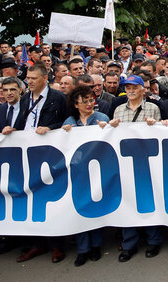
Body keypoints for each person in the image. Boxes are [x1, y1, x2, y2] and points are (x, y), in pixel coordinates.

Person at [4, 64, 68, 263]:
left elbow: (67, 122)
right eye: (28, 78)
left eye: (33, 78)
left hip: (50, 154)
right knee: (32, 200)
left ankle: (57, 245)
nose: (29, 81)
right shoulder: (25, 99)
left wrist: (50, 128)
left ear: (45, 78)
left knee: (51, 198)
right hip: (27, 155)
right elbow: (23, 122)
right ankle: (37, 243)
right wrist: (11, 130)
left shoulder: (58, 98)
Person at [109, 75, 163, 262]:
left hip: (147, 163)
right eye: (128, 87)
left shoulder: (153, 108)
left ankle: (153, 241)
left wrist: (154, 126)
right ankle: (129, 244)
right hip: (124, 164)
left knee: (149, 200)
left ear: (143, 89)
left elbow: (160, 135)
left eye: (134, 87)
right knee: (128, 203)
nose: (130, 90)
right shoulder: (118, 110)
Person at [60, 85, 109, 266]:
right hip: (77, 173)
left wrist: (106, 128)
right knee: (79, 209)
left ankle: (96, 245)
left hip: (97, 170)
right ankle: (83, 248)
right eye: (85, 101)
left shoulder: (101, 118)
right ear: (76, 104)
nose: (89, 104)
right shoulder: (69, 122)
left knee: (94, 207)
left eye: (91, 100)